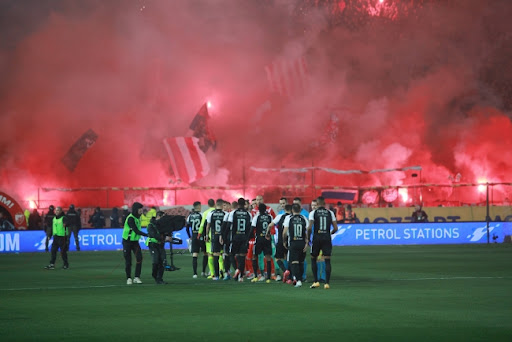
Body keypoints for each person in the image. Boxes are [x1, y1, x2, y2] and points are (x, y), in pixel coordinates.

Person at [307, 196, 337, 289]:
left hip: (317, 237)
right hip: (326, 237)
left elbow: (309, 227)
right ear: (324, 204)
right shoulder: (330, 212)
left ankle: (316, 281)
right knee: (327, 260)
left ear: (317, 204)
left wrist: (308, 238)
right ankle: (327, 283)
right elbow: (336, 228)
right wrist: (329, 234)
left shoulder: (313, 212)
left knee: (313, 258)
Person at [283, 203, 309, 288]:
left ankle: (298, 280)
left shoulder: (289, 218)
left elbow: (284, 232)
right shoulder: (304, 218)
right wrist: (307, 242)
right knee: (301, 262)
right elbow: (308, 230)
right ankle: (299, 279)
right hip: (302, 242)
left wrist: (284, 241)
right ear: (300, 210)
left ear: (292, 210)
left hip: (293, 242)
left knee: (294, 262)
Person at [122, 202, 148, 285]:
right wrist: (147, 235)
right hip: (127, 242)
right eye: (140, 209)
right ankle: (128, 278)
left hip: (135, 242)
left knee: (139, 258)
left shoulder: (138, 217)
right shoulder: (131, 218)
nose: (141, 210)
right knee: (128, 261)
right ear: (136, 209)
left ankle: (137, 277)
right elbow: (136, 230)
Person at [229, 197, 252, 282]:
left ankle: (237, 270)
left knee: (232, 254)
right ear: (244, 204)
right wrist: (248, 238)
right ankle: (241, 277)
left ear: (238, 204)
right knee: (242, 256)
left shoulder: (233, 213)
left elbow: (229, 225)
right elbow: (250, 227)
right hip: (244, 238)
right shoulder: (248, 214)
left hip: (235, 237)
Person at [267, 204, 292, 282]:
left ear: (284, 210)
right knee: (288, 258)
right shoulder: (292, 217)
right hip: (290, 240)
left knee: (277, 258)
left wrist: (267, 233)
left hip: (281, 240)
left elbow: (270, 225)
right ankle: (290, 277)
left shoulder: (280, 216)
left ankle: (285, 271)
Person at [251, 203, 274, 283]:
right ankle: (268, 278)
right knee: (268, 257)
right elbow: (271, 226)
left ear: (259, 209)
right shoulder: (269, 217)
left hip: (259, 238)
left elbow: (252, 228)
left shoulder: (256, 217)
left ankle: (256, 276)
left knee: (254, 256)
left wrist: (250, 237)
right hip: (267, 238)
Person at [205, 199, 228, 280]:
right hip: (224, 237)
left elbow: (208, 226)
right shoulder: (226, 213)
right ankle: (225, 272)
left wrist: (207, 235)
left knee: (215, 255)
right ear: (222, 206)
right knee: (224, 254)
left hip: (215, 236)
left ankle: (217, 275)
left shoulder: (210, 214)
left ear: (216, 205)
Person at [186, 201, 207, 278]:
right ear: (199, 207)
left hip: (194, 236)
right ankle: (203, 272)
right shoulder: (201, 215)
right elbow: (204, 226)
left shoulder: (190, 216)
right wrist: (205, 235)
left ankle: (195, 273)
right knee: (205, 253)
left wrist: (190, 236)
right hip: (201, 236)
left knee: (195, 254)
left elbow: (187, 227)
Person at [146, 211, 168, 284]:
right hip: (153, 245)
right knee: (156, 261)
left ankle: (159, 279)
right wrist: (164, 238)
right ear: (158, 217)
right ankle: (154, 275)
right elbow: (153, 235)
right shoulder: (151, 225)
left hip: (160, 244)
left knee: (162, 260)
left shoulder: (162, 225)